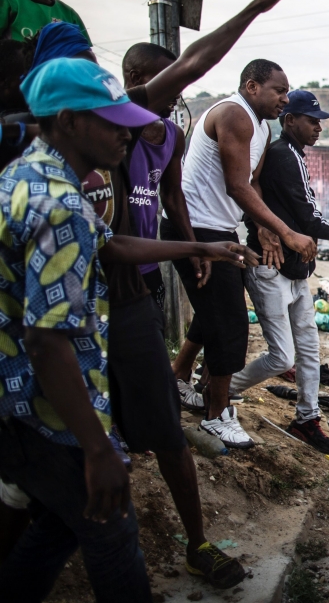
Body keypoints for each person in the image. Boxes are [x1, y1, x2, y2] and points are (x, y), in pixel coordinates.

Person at [0, 57, 254, 602]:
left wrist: (199, 246)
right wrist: (96, 448)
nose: (129, 131)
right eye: (113, 121)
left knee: (60, 526)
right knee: (114, 539)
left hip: (17, 403)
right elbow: (49, 340)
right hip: (48, 411)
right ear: (68, 120)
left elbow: (109, 245)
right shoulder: (60, 204)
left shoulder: (30, 173)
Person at [162, 58, 317, 449]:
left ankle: (179, 375)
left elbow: (252, 184)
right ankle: (216, 415)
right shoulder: (233, 114)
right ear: (251, 86)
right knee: (230, 323)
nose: (284, 98)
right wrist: (287, 232)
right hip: (196, 228)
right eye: (278, 91)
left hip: (221, 227)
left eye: (285, 92)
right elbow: (236, 186)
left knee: (216, 310)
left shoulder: (261, 128)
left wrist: (263, 228)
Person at [230, 90, 329, 454]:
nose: (318, 128)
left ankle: (306, 419)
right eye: (312, 121)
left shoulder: (290, 154)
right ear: (290, 121)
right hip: (272, 268)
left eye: (320, 122)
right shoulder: (286, 155)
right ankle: (222, 389)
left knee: (310, 350)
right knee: (282, 356)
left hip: (296, 270)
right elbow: (306, 214)